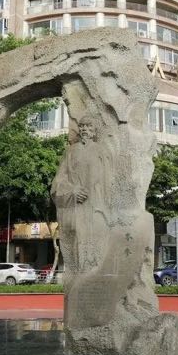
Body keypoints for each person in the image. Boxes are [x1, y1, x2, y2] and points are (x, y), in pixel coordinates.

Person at [51, 115, 111, 277]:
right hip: (77, 209)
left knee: (100, 247)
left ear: (95, 130)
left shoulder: (102, 151)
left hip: (99, 208)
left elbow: (110, 181)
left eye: (89, 126)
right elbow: (58, 182)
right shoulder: (71, 151)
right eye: (82, 126)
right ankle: (81, 279)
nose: (85, 129)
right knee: (79, 247)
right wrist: (72, 190)